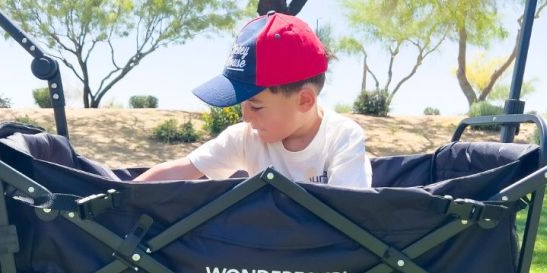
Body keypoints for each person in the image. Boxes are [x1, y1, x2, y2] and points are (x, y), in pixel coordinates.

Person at [134, 11, 372, 188]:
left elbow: (350, 213)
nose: (246, 116)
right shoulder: (247, 138)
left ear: (304, 101)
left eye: (255, 105)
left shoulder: (342, 138)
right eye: (242, 103)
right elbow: (182, 169)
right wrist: (122, 195)